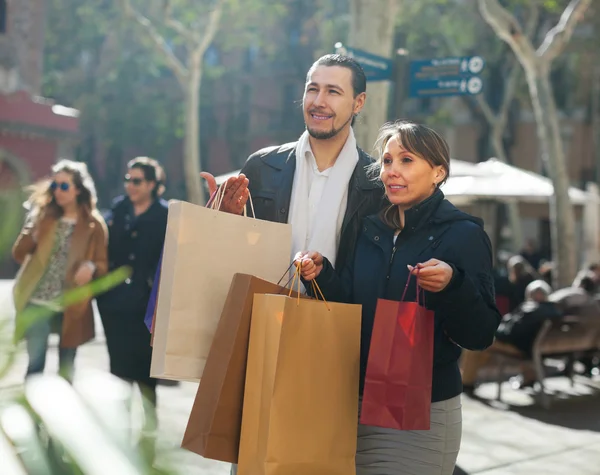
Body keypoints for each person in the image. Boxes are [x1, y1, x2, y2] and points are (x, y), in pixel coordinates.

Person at [295, 121, 501, 475]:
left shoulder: (463, 235)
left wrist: (453, 286)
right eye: (387, 161)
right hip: (350, 402)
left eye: (407, 161)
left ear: (439, 171)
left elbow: (480, 334)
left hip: (420, 409)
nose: (392, 171)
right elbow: (349, 305)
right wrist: (322, 274)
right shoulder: (368, 229)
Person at [201, 54, 385, 275]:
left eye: (333, 92)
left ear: (358, 103)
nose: (318, 102)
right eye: (313, 89)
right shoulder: (262, 166)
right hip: (260, 306)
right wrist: (220, 218)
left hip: (340, 309)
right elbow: (230, 253)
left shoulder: (376, 182)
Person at [12, 159, 108, 382]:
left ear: (78, 189)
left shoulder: (94, 225)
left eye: (64, 186)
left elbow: (103, 265)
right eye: (55, 185)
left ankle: (60, 415)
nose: (58, 191)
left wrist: (91, 267)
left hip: (71, 303)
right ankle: (33, 414)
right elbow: (18, 254)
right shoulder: (43, 216)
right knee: (35, 365)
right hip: (37, 300)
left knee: (66, 370)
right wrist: (32, 235)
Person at [96, 157, 168, 442]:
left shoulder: (165, 214)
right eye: (128, 179)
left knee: (146, 367)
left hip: (147, 304)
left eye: (137, 181)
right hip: (114, 301)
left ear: (152, 184)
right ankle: (120, 428)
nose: (130, 186)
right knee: (118, 365)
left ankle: (149, 427)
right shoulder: (118, 210)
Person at [461, 280, 562, 390]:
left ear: (532, 294)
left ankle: (467, 383)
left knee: (475, 344)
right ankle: (470, 378)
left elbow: (512, 333)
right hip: (533, 347)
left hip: (521, 348)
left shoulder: (531, 309)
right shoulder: (553, 310)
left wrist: (494, 332)